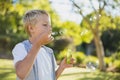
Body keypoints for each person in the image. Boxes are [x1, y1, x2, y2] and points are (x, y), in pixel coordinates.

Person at [12, 9, 74, 80]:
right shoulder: (21, 47)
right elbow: (21, 74)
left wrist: (62, 66)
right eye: (45, 25)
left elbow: (51, 77)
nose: (50, 28)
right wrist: (38, 44)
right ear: (31, 28)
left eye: (50, 25)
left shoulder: (49, 52)